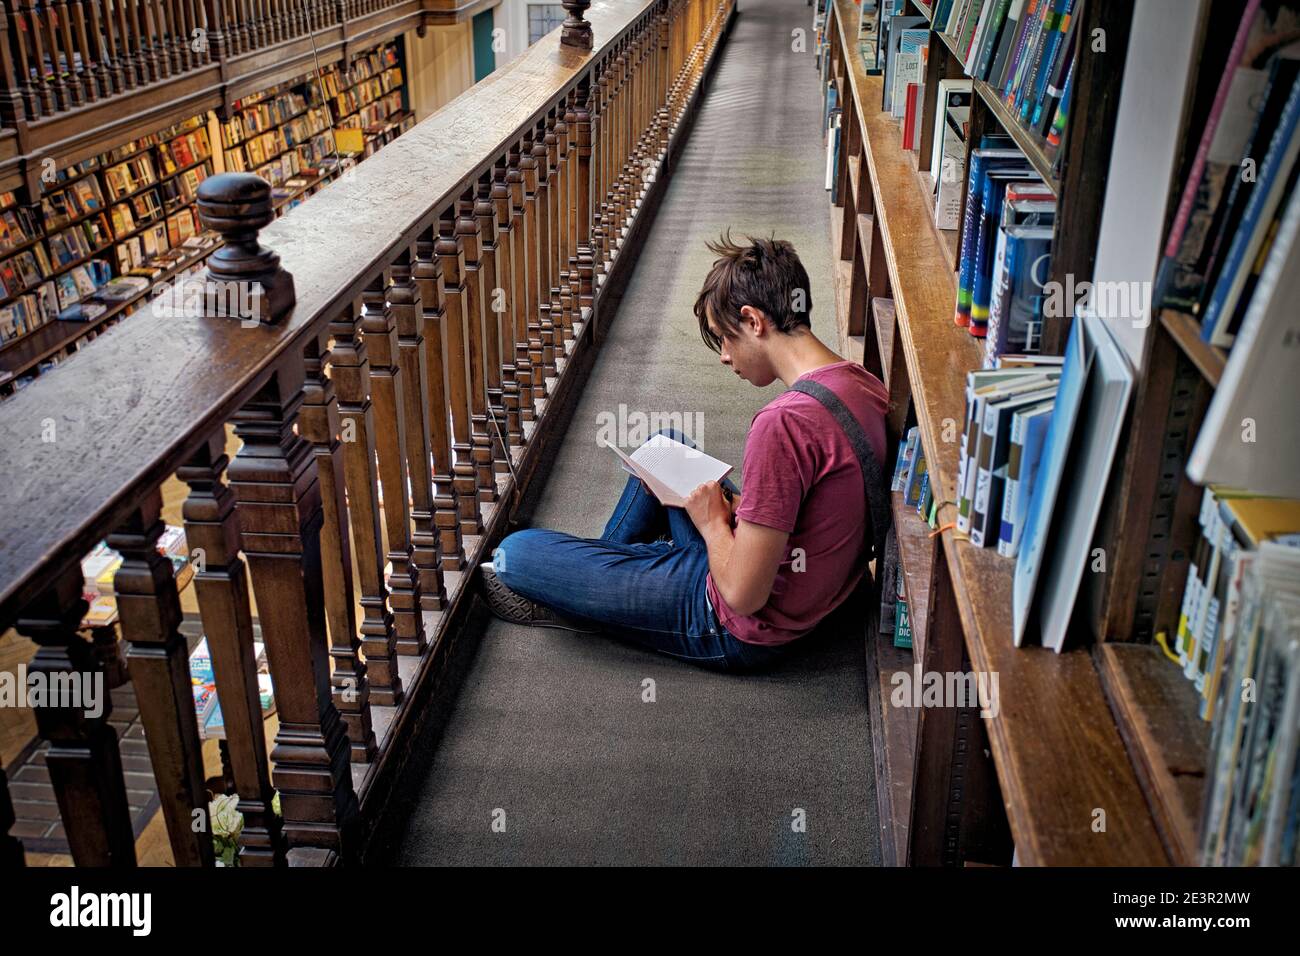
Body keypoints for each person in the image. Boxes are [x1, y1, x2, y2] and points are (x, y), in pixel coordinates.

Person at [482, 233, 890, 672]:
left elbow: (743, 596)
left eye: (725, 339)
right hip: (814, 586)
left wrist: (714, 524)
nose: (724, 357)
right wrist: (737, 510)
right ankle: (604, 584)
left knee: (516, 553)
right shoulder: (858, 381)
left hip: (739, 623)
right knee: (665, 447)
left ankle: (597, 595)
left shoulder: (783, 424)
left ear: (754, 321)